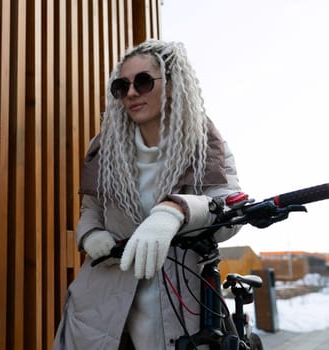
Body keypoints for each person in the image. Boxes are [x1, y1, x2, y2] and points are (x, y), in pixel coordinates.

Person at [52, 39, 242, 350]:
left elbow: (229, 213)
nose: (130, 93)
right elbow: (91, 209)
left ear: (171, 85)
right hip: (99, 309)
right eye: (121, 85)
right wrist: (91, 236)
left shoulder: (206, 145)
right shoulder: (104, 148)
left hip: (182, 309)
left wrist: (175, 211)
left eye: (142, 82)